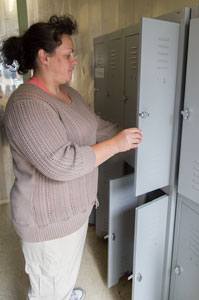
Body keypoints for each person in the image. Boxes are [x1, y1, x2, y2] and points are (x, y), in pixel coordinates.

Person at [1, 15, 142, 300]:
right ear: (44, 57)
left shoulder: (70, 95)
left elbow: (97, 126)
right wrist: (116, 145)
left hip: (73, 215)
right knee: (46, 287)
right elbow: (61, 164)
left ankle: (63, 293)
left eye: (73, 54)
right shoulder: (26, 105)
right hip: (47, 223)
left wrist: (135, 139)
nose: (75, 60)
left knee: (62, 275)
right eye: (68, 54)